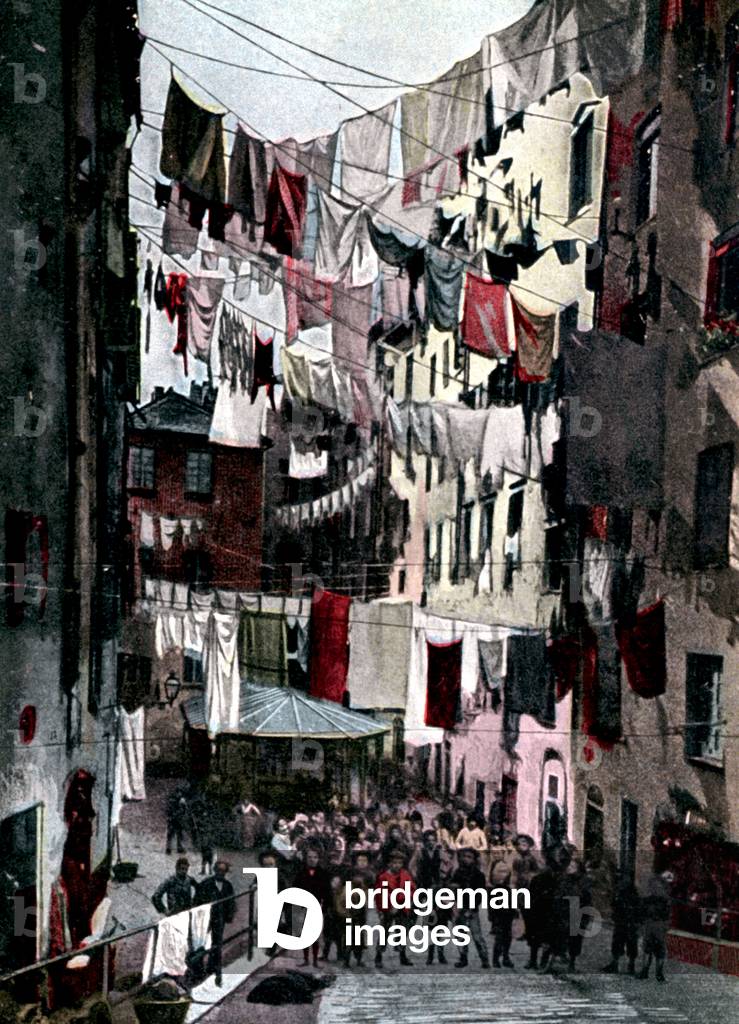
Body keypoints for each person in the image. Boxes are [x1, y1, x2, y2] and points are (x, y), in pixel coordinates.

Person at [451, 848, 491, 969]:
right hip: (460, 907)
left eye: (469, 857)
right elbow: (453, 888)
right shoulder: (458, 872)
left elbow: (480, 894)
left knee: (477, 935)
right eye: (464, 856)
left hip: (472, 909)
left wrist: (471, 909)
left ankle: (485, 959)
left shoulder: (478, 875)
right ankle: (463, 958)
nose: (466, 859)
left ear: (474, 860)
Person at [198, 860, 236, 985]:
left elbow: (231, 902)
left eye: (223, 871)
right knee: (201, 942)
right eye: (218, 870)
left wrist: (229, 915)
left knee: (217, 942)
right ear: (214, 870)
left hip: (219, 918)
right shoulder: (206, 884)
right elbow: (197, 901)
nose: (221, 873)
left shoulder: (228, 885)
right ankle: (198, 968)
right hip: (205, 918)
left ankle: (213, 966)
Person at [375, 851, 415, 967]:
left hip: (402, 907)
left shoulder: (405, 874)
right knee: (385, 932)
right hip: (389, 908)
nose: (397, 865)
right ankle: (379, 956)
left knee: (402, 931)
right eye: (394, 863)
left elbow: (411, 889)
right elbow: (380, 894)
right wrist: (386, 908)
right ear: (389, 864)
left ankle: (402, 955)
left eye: (399, 863)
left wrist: (406, 901)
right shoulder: (383, 877)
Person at [293, 847, 332, 967]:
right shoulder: (300, 873)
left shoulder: (323, 874)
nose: (312, 860)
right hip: (304, 907)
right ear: (306, 859)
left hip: (318, 907)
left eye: (315, 857)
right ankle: (306, 959)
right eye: (310, 857)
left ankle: (315, 960)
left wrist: (325, 908)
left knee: (315, 935)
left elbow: (327, 892)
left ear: (318, 859)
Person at [602, 870, 641, 975]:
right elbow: (614, 905)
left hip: (629, 922)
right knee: (618, 943)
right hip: (621, 921)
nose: (623, 881)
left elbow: (638, 908)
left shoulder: (632, 893)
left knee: (631, 943)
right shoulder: (619, 891)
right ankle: (615, 963)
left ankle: (630, 965)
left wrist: (637, 921)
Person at [638, 870, 673, 982]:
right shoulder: (663, 899)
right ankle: (656, 973)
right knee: (656, 950)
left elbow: (642, 911)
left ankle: (648, 972)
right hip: (656, 925)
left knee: (651, 950)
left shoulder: (651, 899)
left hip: (653, 924)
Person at [489, 860, 516, 968]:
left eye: (505, 872)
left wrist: (514, 912)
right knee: (499, 938)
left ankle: (505, 957)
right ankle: (496, 959)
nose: (503, 874)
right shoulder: (494, 890)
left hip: (508, 916)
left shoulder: (509, 889)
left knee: (508, 937)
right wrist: (492, 918)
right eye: (500, 872)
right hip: (498, 917)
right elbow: (491, 906)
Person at [165, 786, 190, 854]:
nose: (179, 794)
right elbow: (168, 810)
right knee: (171, 834)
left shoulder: (180, 800)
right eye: (178, 793)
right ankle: (169, 848)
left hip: (178, 820)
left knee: (179, 834)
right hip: (174, 819)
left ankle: (178, 848)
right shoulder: (174, 800)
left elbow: (185, 810)